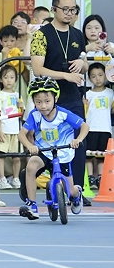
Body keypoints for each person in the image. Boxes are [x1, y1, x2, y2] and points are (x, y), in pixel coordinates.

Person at [30, 0, 90, 198]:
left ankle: (76, 191)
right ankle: (37, 183)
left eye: (73, 9)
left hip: (73, 97)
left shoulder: (77, 34)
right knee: (47, 143)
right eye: (65, 9)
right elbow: (38, 69)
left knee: (78, 142)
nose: (69, 13)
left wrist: (82, 63)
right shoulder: (41, 35)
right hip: (48, 99)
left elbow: (84, 65)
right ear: (54, 9)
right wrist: (65, 75)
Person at [18, 76, 88, 220]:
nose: (43, 106)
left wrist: (78, 139)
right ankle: (32, 205)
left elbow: (84, 126)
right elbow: (22, 134)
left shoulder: (63, 114)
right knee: (31, 166)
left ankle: (77, 195)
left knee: (71, 191)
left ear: (55, 98)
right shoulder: (34, 115)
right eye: (38, 102)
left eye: (47, 101)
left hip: (63, 153)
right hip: (44, 152)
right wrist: (30, 146)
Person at [0, 65, 23, 189]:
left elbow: (21, 114)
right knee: (1, 155)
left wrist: (21, 107)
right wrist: (0, 131)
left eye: (12, 77)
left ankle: (15, 178)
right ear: (1, 79)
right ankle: (1, 178)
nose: (9, 80)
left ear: (16, 79)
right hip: (3, 129)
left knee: (17, 156)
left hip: (16, 130)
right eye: (6, 77)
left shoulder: (17, 95)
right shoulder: (0, 96)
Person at [84, 63, 112, 190]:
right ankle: (90, 177)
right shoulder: (87, 94)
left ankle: (101, 177)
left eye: (100, 75)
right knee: (89, 155)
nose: (98, 79)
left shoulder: (110, 93)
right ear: (89, 78)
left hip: (105, 128)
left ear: (106, 76)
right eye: (94, 76)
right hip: (91, 128)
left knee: (102, 155)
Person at [83, 14, 114, 88]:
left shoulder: (110, 46)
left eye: (97, 28)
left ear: (102, 30)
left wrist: (113, 52)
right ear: (84, 30)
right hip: (85, 86)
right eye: (89, 28)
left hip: (106, 87)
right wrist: (86, 48)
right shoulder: (79, 46)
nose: (93, 31)